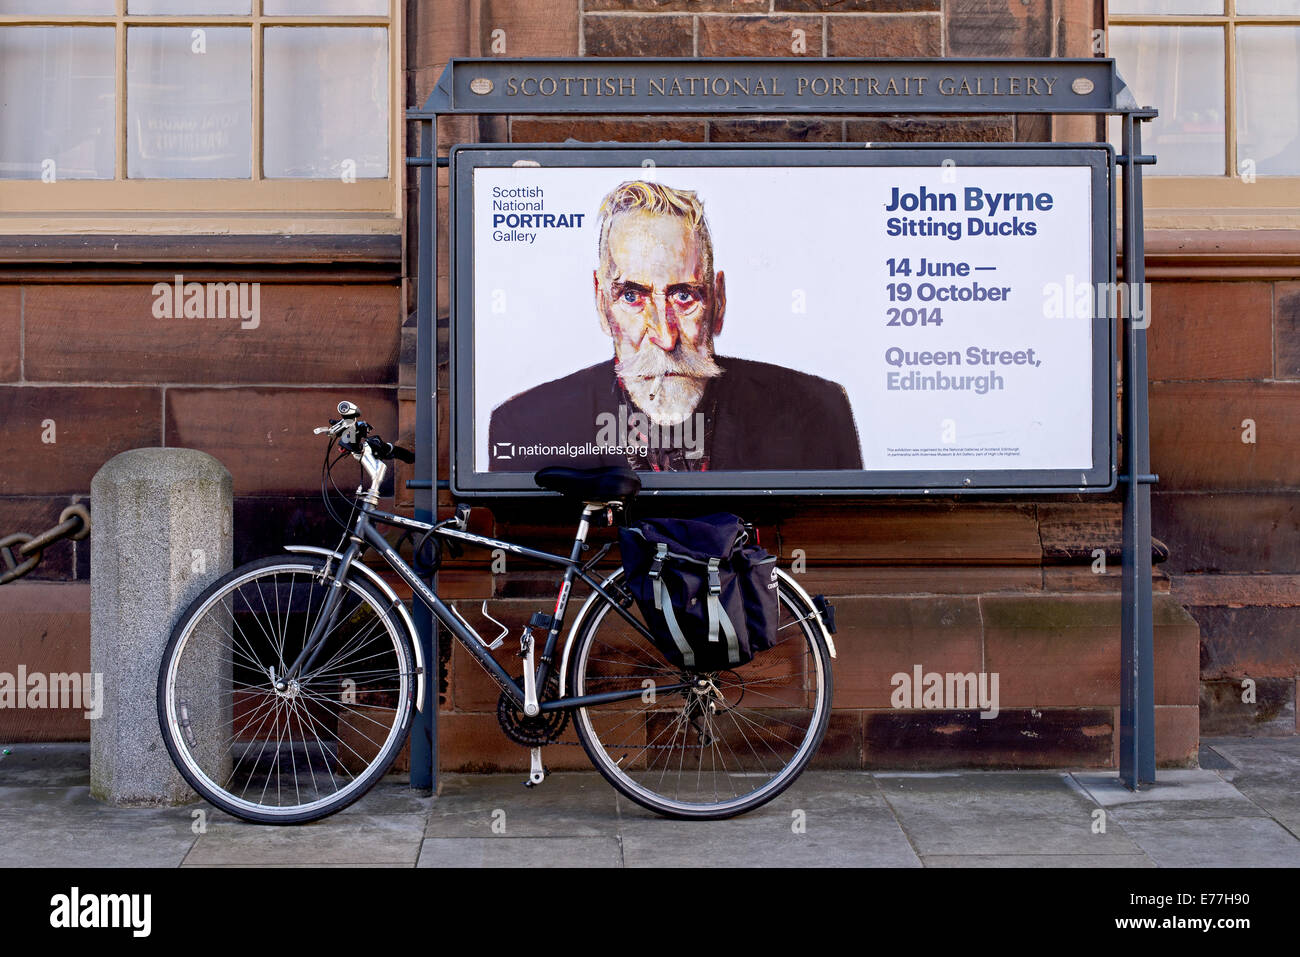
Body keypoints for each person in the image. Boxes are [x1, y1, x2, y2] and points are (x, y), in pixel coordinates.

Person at [488, 179, 862, 473]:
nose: (665, 338)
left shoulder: (817, 414)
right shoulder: (526, 426)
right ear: (602, 304)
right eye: (632, 297)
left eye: (684, 297)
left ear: (718, 301)